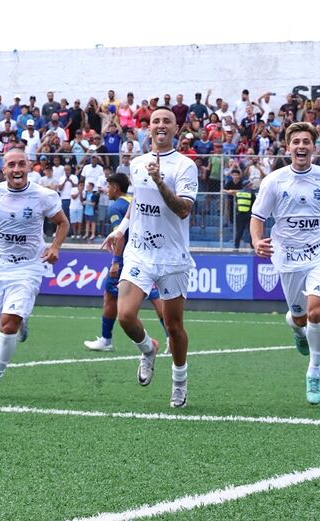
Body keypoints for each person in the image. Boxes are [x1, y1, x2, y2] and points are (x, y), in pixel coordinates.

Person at [101, 107, 198, 409]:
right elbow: (137, 204)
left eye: (166, 121)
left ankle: (179, 381)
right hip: (140, 253)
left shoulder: (185, 166)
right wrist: (121, 229)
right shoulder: (138, 163)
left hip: (172, 256)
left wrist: (160, 183)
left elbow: (183, 209)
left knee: (174, 326)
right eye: (155, 121)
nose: (160, 125)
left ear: (175, 128)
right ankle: (148, 349)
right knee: (125, 315)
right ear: (149, 128)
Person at [0, 148, 69, 400]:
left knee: (7, 326)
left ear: (29, 167)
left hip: (27, 268)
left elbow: (62, 222)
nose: (17, 169)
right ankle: (19, 320)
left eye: (21, 164)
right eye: (11, 165)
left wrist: (55, 246)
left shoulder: (43, 195)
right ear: (3, 170)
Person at [250, 122, 320, 405]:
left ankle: (314, 371)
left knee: (316, 313)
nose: (301, 146)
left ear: (314, 146)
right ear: (288, 146)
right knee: (299, 317)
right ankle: (296, 329)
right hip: (288, 256)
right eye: (296, 142)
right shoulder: (274, 181)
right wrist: (257, 240)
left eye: (306, 141)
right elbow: (257, 217)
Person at [84, 173, 169, 353]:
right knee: (155, 298)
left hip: (127, 259)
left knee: (110, 295)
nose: (107, 191)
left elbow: (119, 235)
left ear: (115, 187)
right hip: (147, 254)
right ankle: (171, 338)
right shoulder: (133, 200)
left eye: (108, 187)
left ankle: (106, 340)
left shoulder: (115, 207)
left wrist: (116, 261)